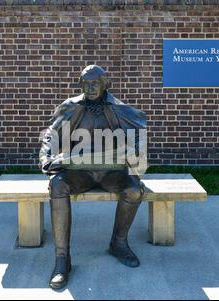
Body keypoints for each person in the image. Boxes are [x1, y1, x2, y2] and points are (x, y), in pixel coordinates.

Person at [39, 65, 147, 289]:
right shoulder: (70, 107)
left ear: (106, 84)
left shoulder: (120, 109)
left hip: (111, 171)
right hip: (79, 171)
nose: (89, 88)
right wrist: (47, 158)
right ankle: (62, 260)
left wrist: (133, 153)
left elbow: (137, 139)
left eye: (95, 83)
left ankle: (118, 243)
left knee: (134, 190)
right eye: (85, 83)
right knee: (57, 185)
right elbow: (50, 135)